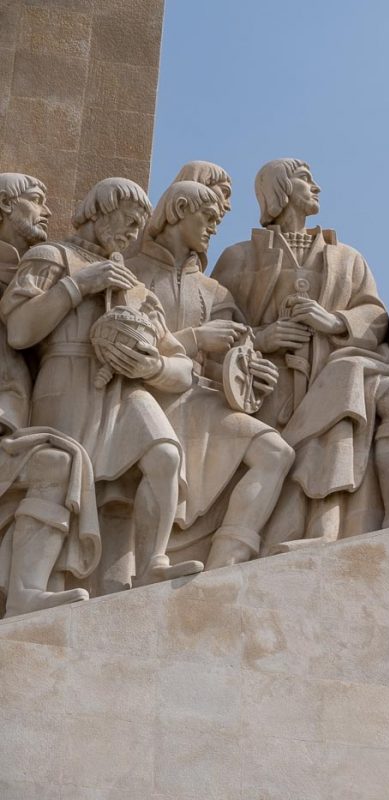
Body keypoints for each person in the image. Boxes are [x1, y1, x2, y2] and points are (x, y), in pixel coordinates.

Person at [212, 159, 389, 550]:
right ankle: (309, 533)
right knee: (314, 435)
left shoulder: (347, 257)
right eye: (305, 179)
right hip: (273, 386)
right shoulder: (239, 257)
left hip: (338, 367)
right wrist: (263, 337)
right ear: (279, 189)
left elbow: (375, 315)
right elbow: (214, 326)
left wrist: (334, 321)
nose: (317, 187)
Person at [1, 177, 202, 592]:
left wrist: (154, 366)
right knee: (69, 480)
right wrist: (79, 284)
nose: (133, 233)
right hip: (66, 379)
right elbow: (20, 331)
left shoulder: (135, 285)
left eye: (138, 226)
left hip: (127, 386)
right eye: (128, 220)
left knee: (165, 455)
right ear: (101, 210)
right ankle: (38, 587)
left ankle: (153, 563)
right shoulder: (50, 256)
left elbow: (182, 367)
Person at [127, 181, 294, 568]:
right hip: (145, 393)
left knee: (276, 453)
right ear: (179, 210)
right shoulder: (131, 274)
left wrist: (253, 374)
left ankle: (223, 566)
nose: (214, 228)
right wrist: (196, 337)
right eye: (208, 217)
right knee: (162, 460)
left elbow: (229, 360)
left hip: (199, 399)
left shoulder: (215, 292)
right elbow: (127, 345)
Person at [0, 173, 100, 615]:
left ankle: (25, 592)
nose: (48, 211)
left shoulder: (32, 269)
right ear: (5, 205)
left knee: (59, 463)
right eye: (36, 199)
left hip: (13, 423)